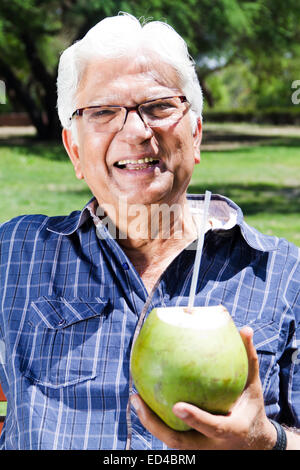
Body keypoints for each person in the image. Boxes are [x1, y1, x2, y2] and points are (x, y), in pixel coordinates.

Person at [0, 12, 299, 451]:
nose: (138, 132)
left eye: (159, 107)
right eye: (103, 111)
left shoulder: (283, 274)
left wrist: (265, 442)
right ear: (75, 150)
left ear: (195, 135)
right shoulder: (14, 256)